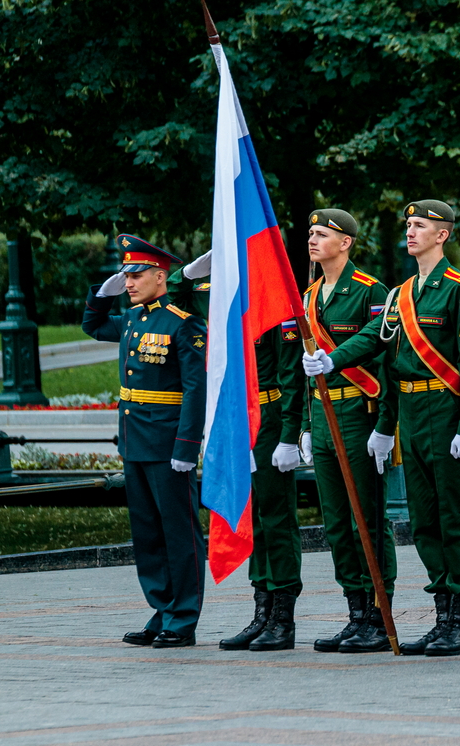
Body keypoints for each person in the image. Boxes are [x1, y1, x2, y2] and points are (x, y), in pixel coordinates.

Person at [303, 200, 460, 656]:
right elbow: (372, 337)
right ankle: (441, 617)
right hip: (409, 407)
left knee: (453, 518)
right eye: (408, 225)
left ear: (443, 235)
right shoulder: (402, 293)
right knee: (423, 520)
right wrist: (332, 359)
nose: (411, 232)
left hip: (444, 407)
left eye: (420, 225)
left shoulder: (459, 287)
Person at [168, 253, 306, 651]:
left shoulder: (277, 303)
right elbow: (175, 291)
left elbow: (291, 376)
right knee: (253, 516)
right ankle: (261, 612)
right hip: (236, 419)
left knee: (276, 518)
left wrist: (288, 434)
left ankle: (282, 616)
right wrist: (196, 269)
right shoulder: (224, 295)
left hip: (267, 417)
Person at [82, 234, 206, 648]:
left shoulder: (183, 322)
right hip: (135, 440)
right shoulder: (132, 319)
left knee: (178, 532)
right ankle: (162, 608)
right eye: (125, 275)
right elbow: (93, 325)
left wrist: (187, 447)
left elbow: (195, 389)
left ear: (160, 275)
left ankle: (183, 617)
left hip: (168, 443)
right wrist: (102, 294)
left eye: (135, 275)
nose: (129, 282)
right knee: (148, 533)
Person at [287, 208, 397, 653]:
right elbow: (302, 372)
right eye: (310, 233)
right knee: (336, 522)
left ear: (346, 242)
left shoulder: (371, 292)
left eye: (322, 234)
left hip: (358, 414)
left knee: (365, 522)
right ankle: (355, 613)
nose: (312, 240)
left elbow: (383, 352)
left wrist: (385, 424)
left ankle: (378, 611)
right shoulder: (309, 295)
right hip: (323, 415)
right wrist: (304, 427)